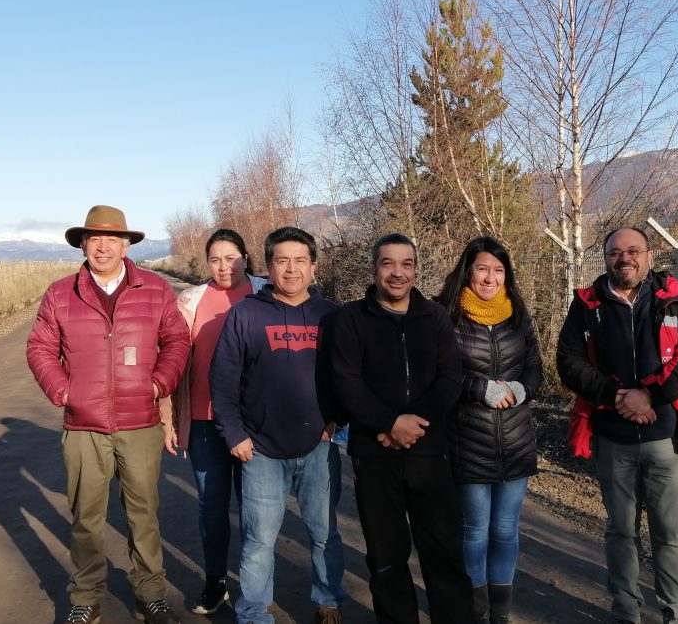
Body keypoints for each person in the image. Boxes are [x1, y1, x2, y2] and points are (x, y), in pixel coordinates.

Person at [26, 205, 189, 624]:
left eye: (111, 239)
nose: (102, 246)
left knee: (144, 514)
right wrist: (63, 390)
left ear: (126, 244)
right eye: (94, 239)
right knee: (86, 517)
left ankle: (149, 593)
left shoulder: (154, 289)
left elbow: (177, 341)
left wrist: (159, 384)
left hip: (141, 424)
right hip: (84, 427)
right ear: (83, 244)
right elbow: (39, 348)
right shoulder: (61, 293)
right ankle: (85, 594)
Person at [556, 226, 678, 624]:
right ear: (605, 257)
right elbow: (569, 362)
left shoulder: (675, 301)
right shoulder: (587, 306)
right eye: (615, 252)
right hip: (613, 436)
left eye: (633, 250)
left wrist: (650, 396)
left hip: (666, 439)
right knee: (621, 531)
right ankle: (626, 612)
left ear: (649, 254)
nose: (624, 258)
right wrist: (616, 396)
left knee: (669, 535)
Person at [329, 233, 474, 624]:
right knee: (386, 556)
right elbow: (346, 382)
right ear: (373, 269)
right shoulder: (350, 319)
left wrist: (410, 426)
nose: (397, 273)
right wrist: (388, 424)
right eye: (388, 263)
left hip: (429, 452)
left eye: (406, 264)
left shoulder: (436, 317)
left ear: (415, 269)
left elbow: (450, 379)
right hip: (374, 455)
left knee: (443, 552)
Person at [209, 227, 346, 624]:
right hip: (261, 450)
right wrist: (234, 435)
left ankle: (328, 600)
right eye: (282, 260)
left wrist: (337, 420)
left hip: (318, 447)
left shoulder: (332, 316)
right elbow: (222, 380)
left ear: (314, 266)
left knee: (324, 535)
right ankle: (253, 613)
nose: (291, 269)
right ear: (267, 266)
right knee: (259, 541)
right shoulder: (246, 314)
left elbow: (348, 377)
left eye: (300, 260)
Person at [435, 237, 542, 624]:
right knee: (475, 532)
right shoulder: (445, 314)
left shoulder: (518, 315)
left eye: (498, 270)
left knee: (506, 531)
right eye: (482, 268)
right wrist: (482, 388)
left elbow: (535, 369)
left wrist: (520, 388)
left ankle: (501, 614)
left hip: (515, 442)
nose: (490, 277)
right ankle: (475, 613)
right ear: (468, 270)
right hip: (467, 441)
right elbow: (440, 373)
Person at [162, 228, 266, 614]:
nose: (224, 266)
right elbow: (174, 361)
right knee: (211, 505)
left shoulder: (265, 292)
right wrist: (168, 417)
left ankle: (255, 589)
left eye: (231, 257)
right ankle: (215, 582)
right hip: (205, 421)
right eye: (215, 259)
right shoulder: (191, 300)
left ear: (246, 257)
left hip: (254, 422)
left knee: (256, 508)